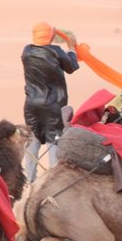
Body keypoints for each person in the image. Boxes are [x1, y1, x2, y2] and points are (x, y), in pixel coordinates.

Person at [21, 22, 80, 182]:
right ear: (50, 36)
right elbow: (72, 66)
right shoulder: (56, 52)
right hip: (54, 106)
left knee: (33, 138)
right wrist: (72, 48)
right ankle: (52, 182)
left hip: (32, 105)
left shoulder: (27, 51)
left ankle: (29, 181)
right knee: (53, 140)